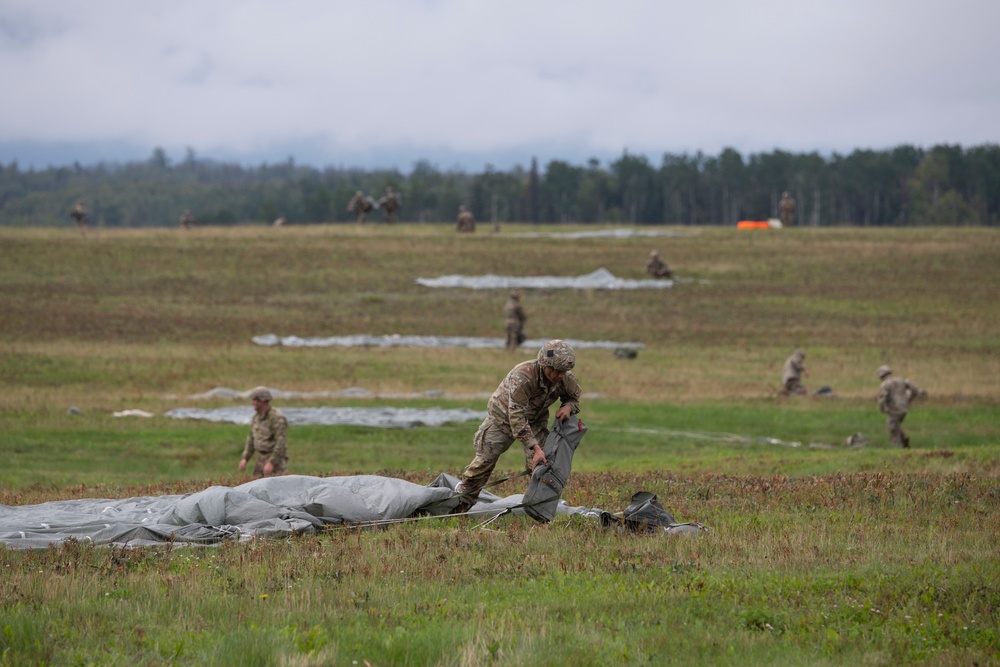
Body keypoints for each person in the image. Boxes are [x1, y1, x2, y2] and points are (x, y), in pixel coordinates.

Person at [454, 339, 582, 513]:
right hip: (503, 419)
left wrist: (568, 406)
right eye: (558, 371)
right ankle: (459, 504)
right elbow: (516, 417)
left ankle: (541, 510)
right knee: (484, 461)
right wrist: (535, 448)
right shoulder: (523, 376)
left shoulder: (565, 379)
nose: (561, 376)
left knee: (544, 465)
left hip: (536, 420)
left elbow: (574, 398)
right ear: (546, 366)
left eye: (564, 371)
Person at [238, 387, 288, 476]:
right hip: (260, 461)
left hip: (275, 463)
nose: (252, 403)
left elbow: (281, 442)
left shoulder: (276, 418)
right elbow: (251, 439)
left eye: (255, 400)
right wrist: (245, 459)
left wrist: (271, 462)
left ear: (263, 401)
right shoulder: (256, 418)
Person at [876, 366, 926, 448]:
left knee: (892, 427)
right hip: (904, 408)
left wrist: (883, 408)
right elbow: (914, 389)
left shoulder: (885, 384)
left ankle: (898, 447)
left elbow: (882, 398)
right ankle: (904, 439)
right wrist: (909, 399)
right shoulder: (901, 380)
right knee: (896, 424)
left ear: (881, 376)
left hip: (894, 409)